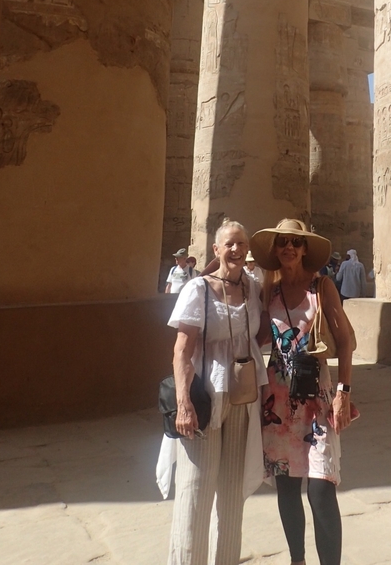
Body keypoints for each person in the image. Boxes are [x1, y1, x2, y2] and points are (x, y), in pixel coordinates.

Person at [250, 219, 354, 565]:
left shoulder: (321, 287)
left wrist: (344, 391)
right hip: (277, 396)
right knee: (287, 485)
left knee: (322, 487)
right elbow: (260, 337)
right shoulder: (271, 291)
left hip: (315, 395)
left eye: (296, 242)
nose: (289, 247)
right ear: (276, 249)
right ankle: (297, 559)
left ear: (305, 248)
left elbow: (346, 341)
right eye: (283, 242)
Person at [166, 219, 266, 565]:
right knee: (196, 489)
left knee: (232, 491)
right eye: (229, 244)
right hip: (206, 397)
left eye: (241, 244)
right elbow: (181, 350)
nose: (236, 250)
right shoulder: (198, 289)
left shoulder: (253, 288)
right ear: (216, 250)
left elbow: (258, 335)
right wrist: (184, 404)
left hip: (242, 394)